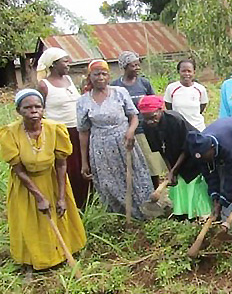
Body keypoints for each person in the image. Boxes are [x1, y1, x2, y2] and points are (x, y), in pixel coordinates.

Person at [0, 89, 86, 271]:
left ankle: (62, 254)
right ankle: (33, 261)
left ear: (43, 109)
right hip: (26, 185)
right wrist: (39, 197)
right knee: (30, 220)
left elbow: (61, 164)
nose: (33, 111)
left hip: (52, 180)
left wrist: (61, 196)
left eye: (37, 106)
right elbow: (18, 169)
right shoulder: (10, 133)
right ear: (18, 111)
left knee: (60, 213)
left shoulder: (55, 129)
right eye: (27, 107)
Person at [77, 60, 154, 220]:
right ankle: (119, 218)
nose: (100, 77)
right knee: (109, 184)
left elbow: (134, 117)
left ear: (108, 75)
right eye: (96, 74)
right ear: (89, 77)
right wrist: (84, 161)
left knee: (134, 178)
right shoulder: (83, 101)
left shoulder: (120, 92)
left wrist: (131, 131)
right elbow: (83, 132)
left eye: (104, 73)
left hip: (124, 142)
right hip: (100, 148)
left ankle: (143, 215)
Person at [139, 95, 212, 220]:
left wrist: (174, 170)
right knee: (179, 185)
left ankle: (201, 215)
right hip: (173, 156)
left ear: (160, 110)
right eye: (147, 119)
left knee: (193, 184)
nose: (151, 121)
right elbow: (160, 150)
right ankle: (183, 214)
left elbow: (186, 147)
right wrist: (170, 170)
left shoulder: (175, 120)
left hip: (192, 154)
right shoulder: (146, 126)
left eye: (153, 117)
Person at [37, 47, 89, 208]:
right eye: (65, 61)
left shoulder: (69, 81)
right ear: (53, 64)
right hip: (60, 132)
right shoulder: (44, 85)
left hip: (78, 131)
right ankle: (68, 202)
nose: (68, 64)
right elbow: (39, 110)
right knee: (68, 169)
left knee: (83, 167)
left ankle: (86, 202)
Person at [111, 51, 165, 189]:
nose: (137, 68)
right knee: (132, 165)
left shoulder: (144, 83)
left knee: (152, 165)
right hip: (126, 131)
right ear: (124, 67)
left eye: (137, 65)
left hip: (146, 129)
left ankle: (155, 192)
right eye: (133, 65)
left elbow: (154, 103)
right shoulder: (116, 86)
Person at [186, 117, 232, 220]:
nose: (205, 160)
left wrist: (223, 200)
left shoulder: (228, 147)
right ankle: (223, 215)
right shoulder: (201, 151)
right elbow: (209, 174)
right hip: (222, 148)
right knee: (221, 181)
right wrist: (215, 196)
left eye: (206, 157)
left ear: (212, 147)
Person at [164, 59, 209, 131]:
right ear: (178, 72)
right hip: (179, 128)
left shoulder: (200, 89)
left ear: (194, 72)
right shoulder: (171, 88)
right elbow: (169, 108)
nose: (186, 74)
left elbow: (202, 106)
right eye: (183, 71)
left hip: (198, 128)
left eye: (189, 71)